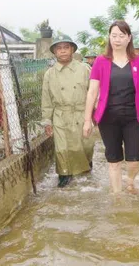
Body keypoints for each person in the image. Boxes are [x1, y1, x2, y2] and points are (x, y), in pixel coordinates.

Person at [83, 20, 139, 194]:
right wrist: (87, 120)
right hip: (108, 117)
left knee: (134, 159)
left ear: (128, 38)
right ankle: (117, 195)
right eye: (114, 35)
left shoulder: (138, 61)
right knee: (113, 160)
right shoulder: (101, 61)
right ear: (109, 38)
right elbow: (92, 91)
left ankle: (130, 181)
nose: (117, 39)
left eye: (121, 36)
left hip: (134, 117)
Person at [42, 35, 94, 188]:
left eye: (66, 47)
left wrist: (94, 114)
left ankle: (87, 163)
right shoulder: (50, 74)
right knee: (62, 147)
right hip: (60, 115)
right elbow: (46, 99)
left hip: (81, 113)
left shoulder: (85, 69)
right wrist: (47, 121)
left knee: (86, 145)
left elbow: (94, 92)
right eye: (59, 48)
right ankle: (64, 173)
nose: (63, 51)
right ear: (54, 52)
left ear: (72, 50)